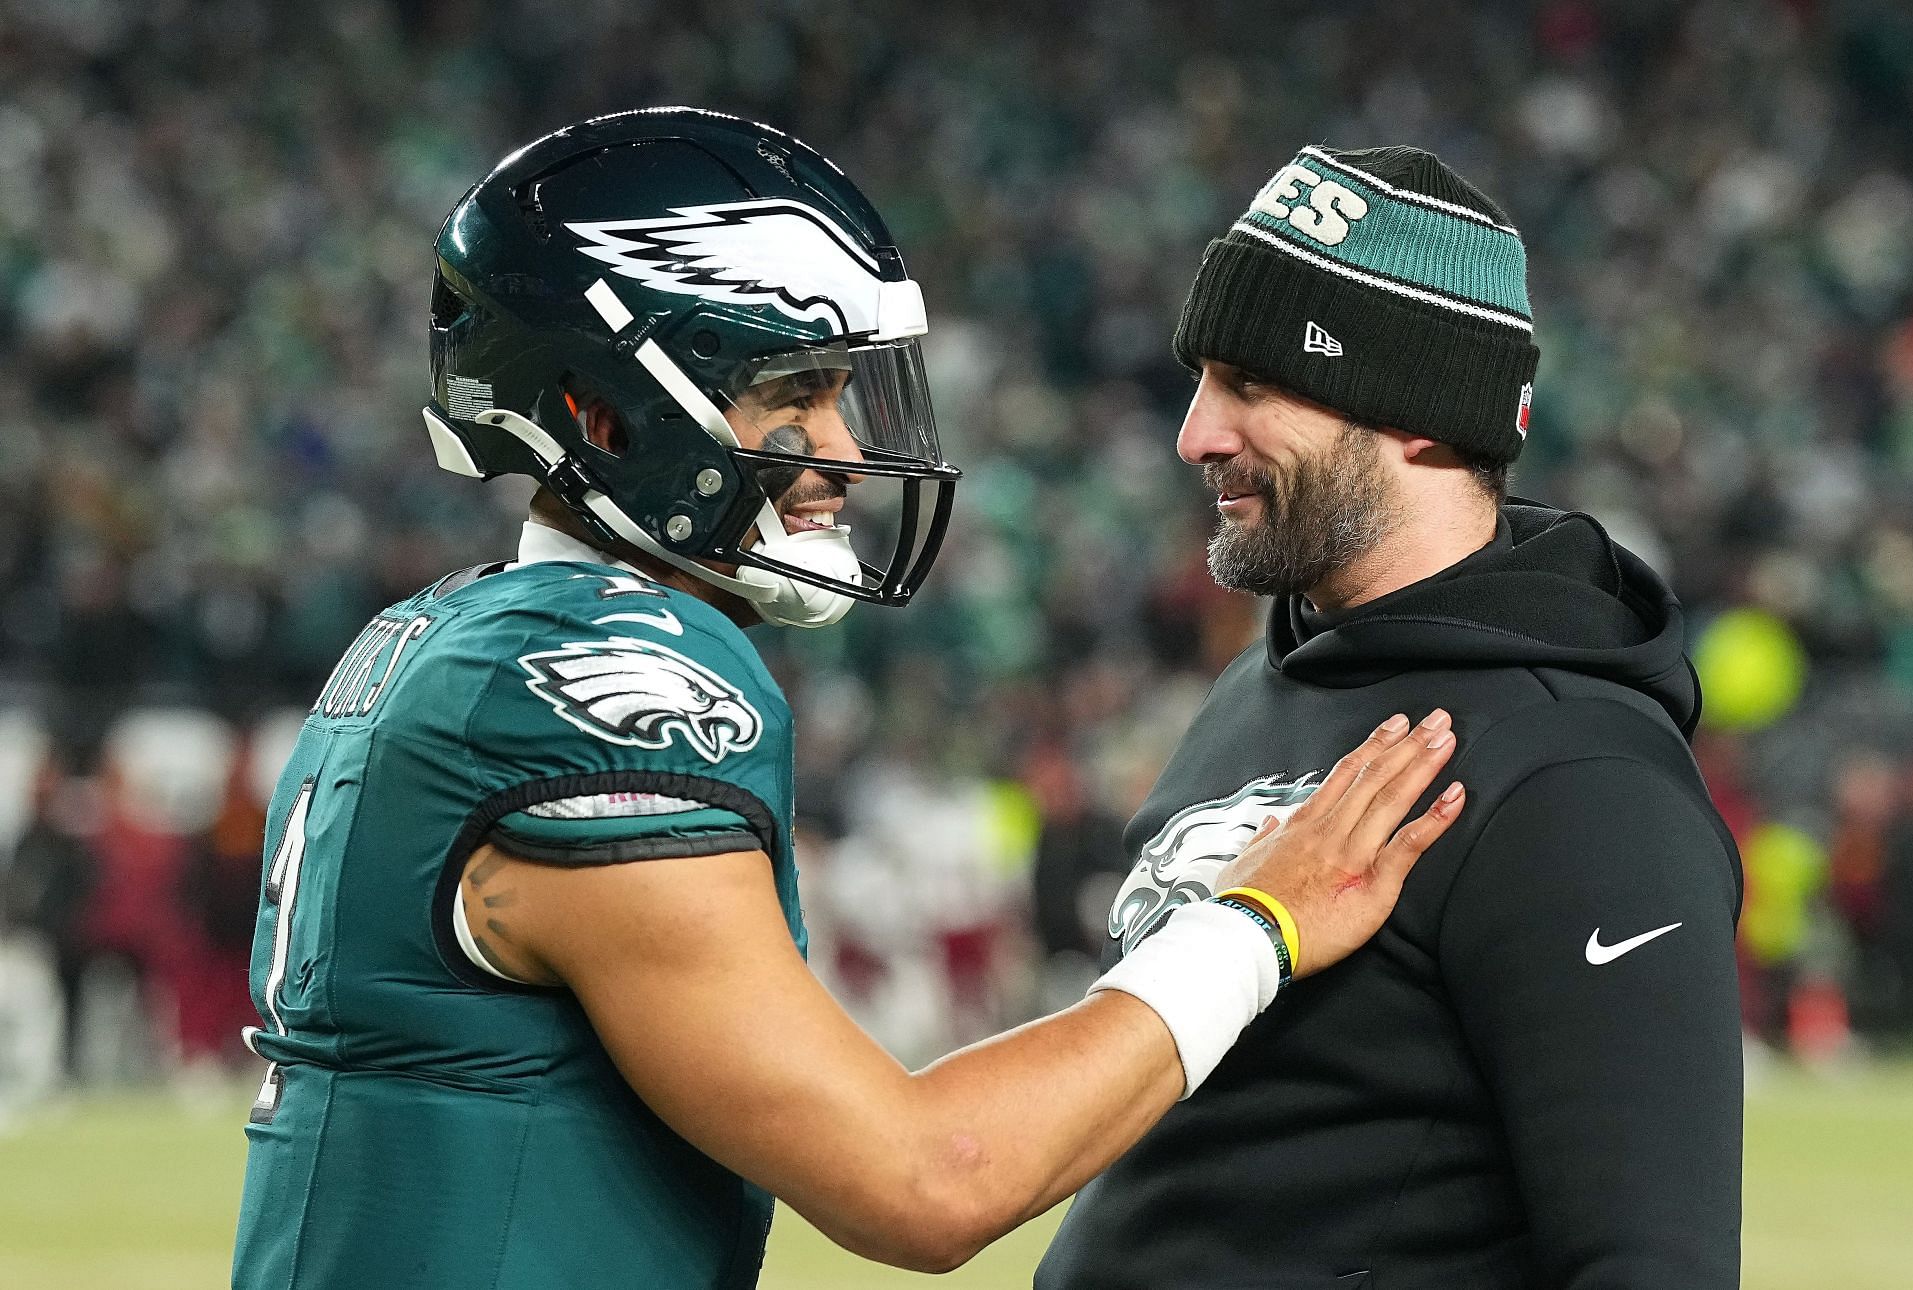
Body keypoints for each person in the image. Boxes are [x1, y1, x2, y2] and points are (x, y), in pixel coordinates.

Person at [228, 110, 1468, 1289]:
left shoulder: (436, 636)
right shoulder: (603, 681)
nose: (838, 448)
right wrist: (1253, 922)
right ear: (607, 414)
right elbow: (926, 1181)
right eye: (792, 396)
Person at [1036, 146, 1744, 1290]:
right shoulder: (1262, 683)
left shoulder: (1579, 781)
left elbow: (1650, 1263)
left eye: (1251, 384)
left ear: (1418, 411)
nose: (1195, 433)